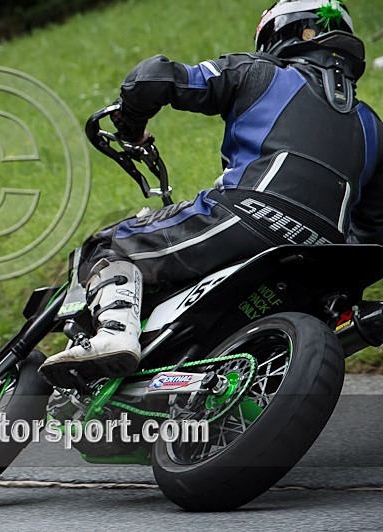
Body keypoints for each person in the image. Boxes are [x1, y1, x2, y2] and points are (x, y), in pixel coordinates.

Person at [39, 0, 383, 387]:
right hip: (333, 259)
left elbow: (152, 78)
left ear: (276, 34)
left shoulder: (261, 73)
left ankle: (115, 333)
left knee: (110, 244)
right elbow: (373, 228)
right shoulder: (373, 125)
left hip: (248, 217)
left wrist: (131, 126)